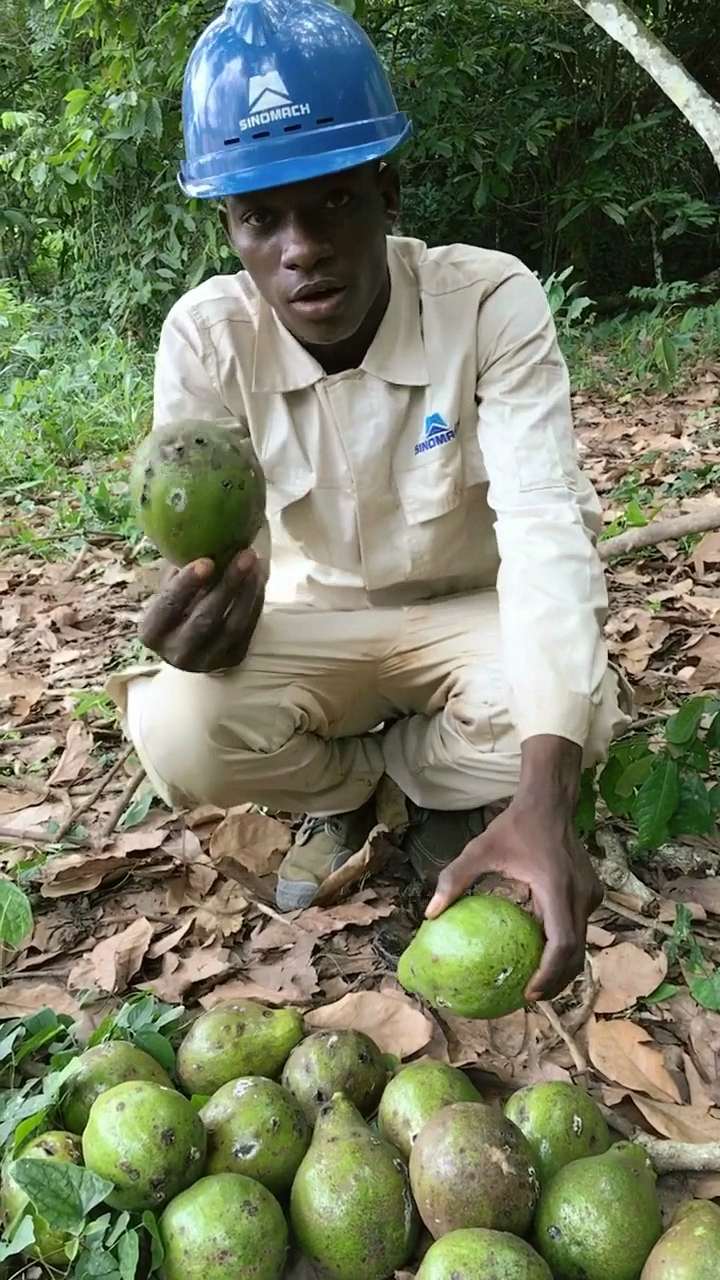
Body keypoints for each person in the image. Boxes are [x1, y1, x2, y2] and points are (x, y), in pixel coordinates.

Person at [108, 0, 631, 1002]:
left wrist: (548, 797)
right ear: (229, 226)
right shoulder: (208, 340)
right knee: (176, 722)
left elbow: (543, 528)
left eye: (331, 202)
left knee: (575, 713)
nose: (300, 246)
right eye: (262, 218)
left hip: (469, 615)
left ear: (384, 190)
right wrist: (204, 611)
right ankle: (372, 790)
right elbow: (220, 547)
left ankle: (426, 789)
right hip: (316, 627)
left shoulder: (489, 301)